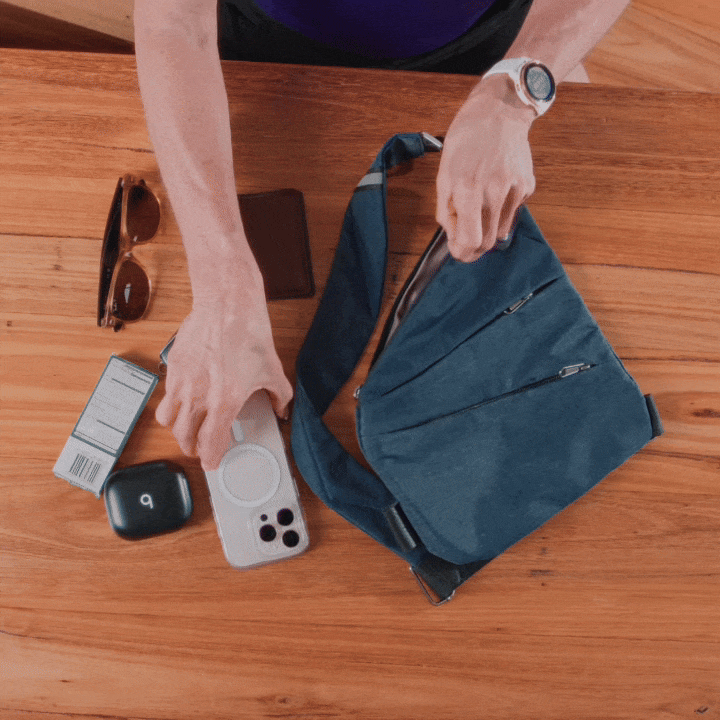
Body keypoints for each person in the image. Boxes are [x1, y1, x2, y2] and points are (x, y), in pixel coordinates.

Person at [133, 0, 631, 471]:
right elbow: (172, 20)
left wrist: (510, 97)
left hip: (495, 49)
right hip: (267, 48)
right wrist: (222, 289)